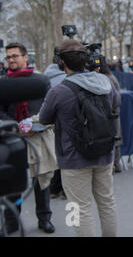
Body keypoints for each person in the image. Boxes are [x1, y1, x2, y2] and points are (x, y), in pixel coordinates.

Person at [39, 39, 119, 236]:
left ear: (61, 62)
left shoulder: (58, 91)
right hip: (104, 153)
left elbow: (44, 119)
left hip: (73, 158)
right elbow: (116, 104)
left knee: (78, 208)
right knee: (107, 202)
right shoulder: (106, 83)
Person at [0, 42, 55, 235]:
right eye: (8, 57)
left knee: (42, 181)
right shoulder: (3, 82)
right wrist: (16, 128)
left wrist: (33, 126)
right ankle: (12, 221)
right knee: (12, 183)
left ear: (25, 57)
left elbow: (49, 108)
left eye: (15, 56)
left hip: (38, 138)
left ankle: (44, 218)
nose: (11, 60)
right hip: (10, 140)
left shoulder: (40, 81)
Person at [43, 47, 68, 200]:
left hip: (50, 121)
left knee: (54, 155)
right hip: (66, 122)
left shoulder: (44, 77)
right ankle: (64, 190)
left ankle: (53, 188)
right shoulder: (68, 78)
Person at [96, 55, 123, 173]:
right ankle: (116, 164)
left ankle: (114, 164)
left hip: (110, 113)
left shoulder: (106, 79)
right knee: (115, 138)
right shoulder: (110, 76)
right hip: (113, 112)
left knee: (113, 139)